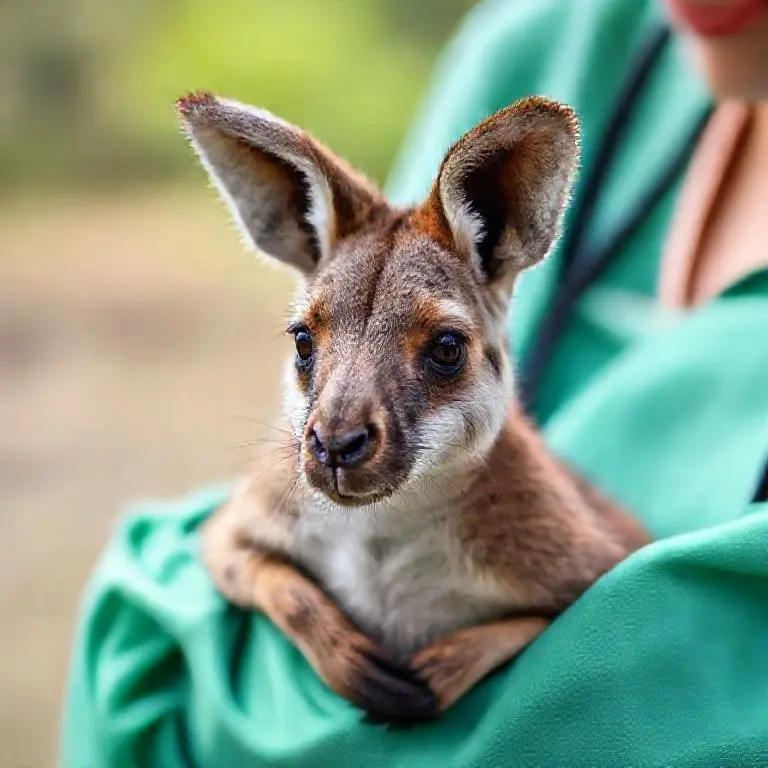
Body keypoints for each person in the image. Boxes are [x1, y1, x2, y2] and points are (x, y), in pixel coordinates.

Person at [61, 0, 768, 766]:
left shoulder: (530, 537)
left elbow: (614, 622)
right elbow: (226, 553)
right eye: (308, 346)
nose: (334, 430)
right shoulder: (545, 41)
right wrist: (307, 621)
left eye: (437, 356)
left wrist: (488, 647)